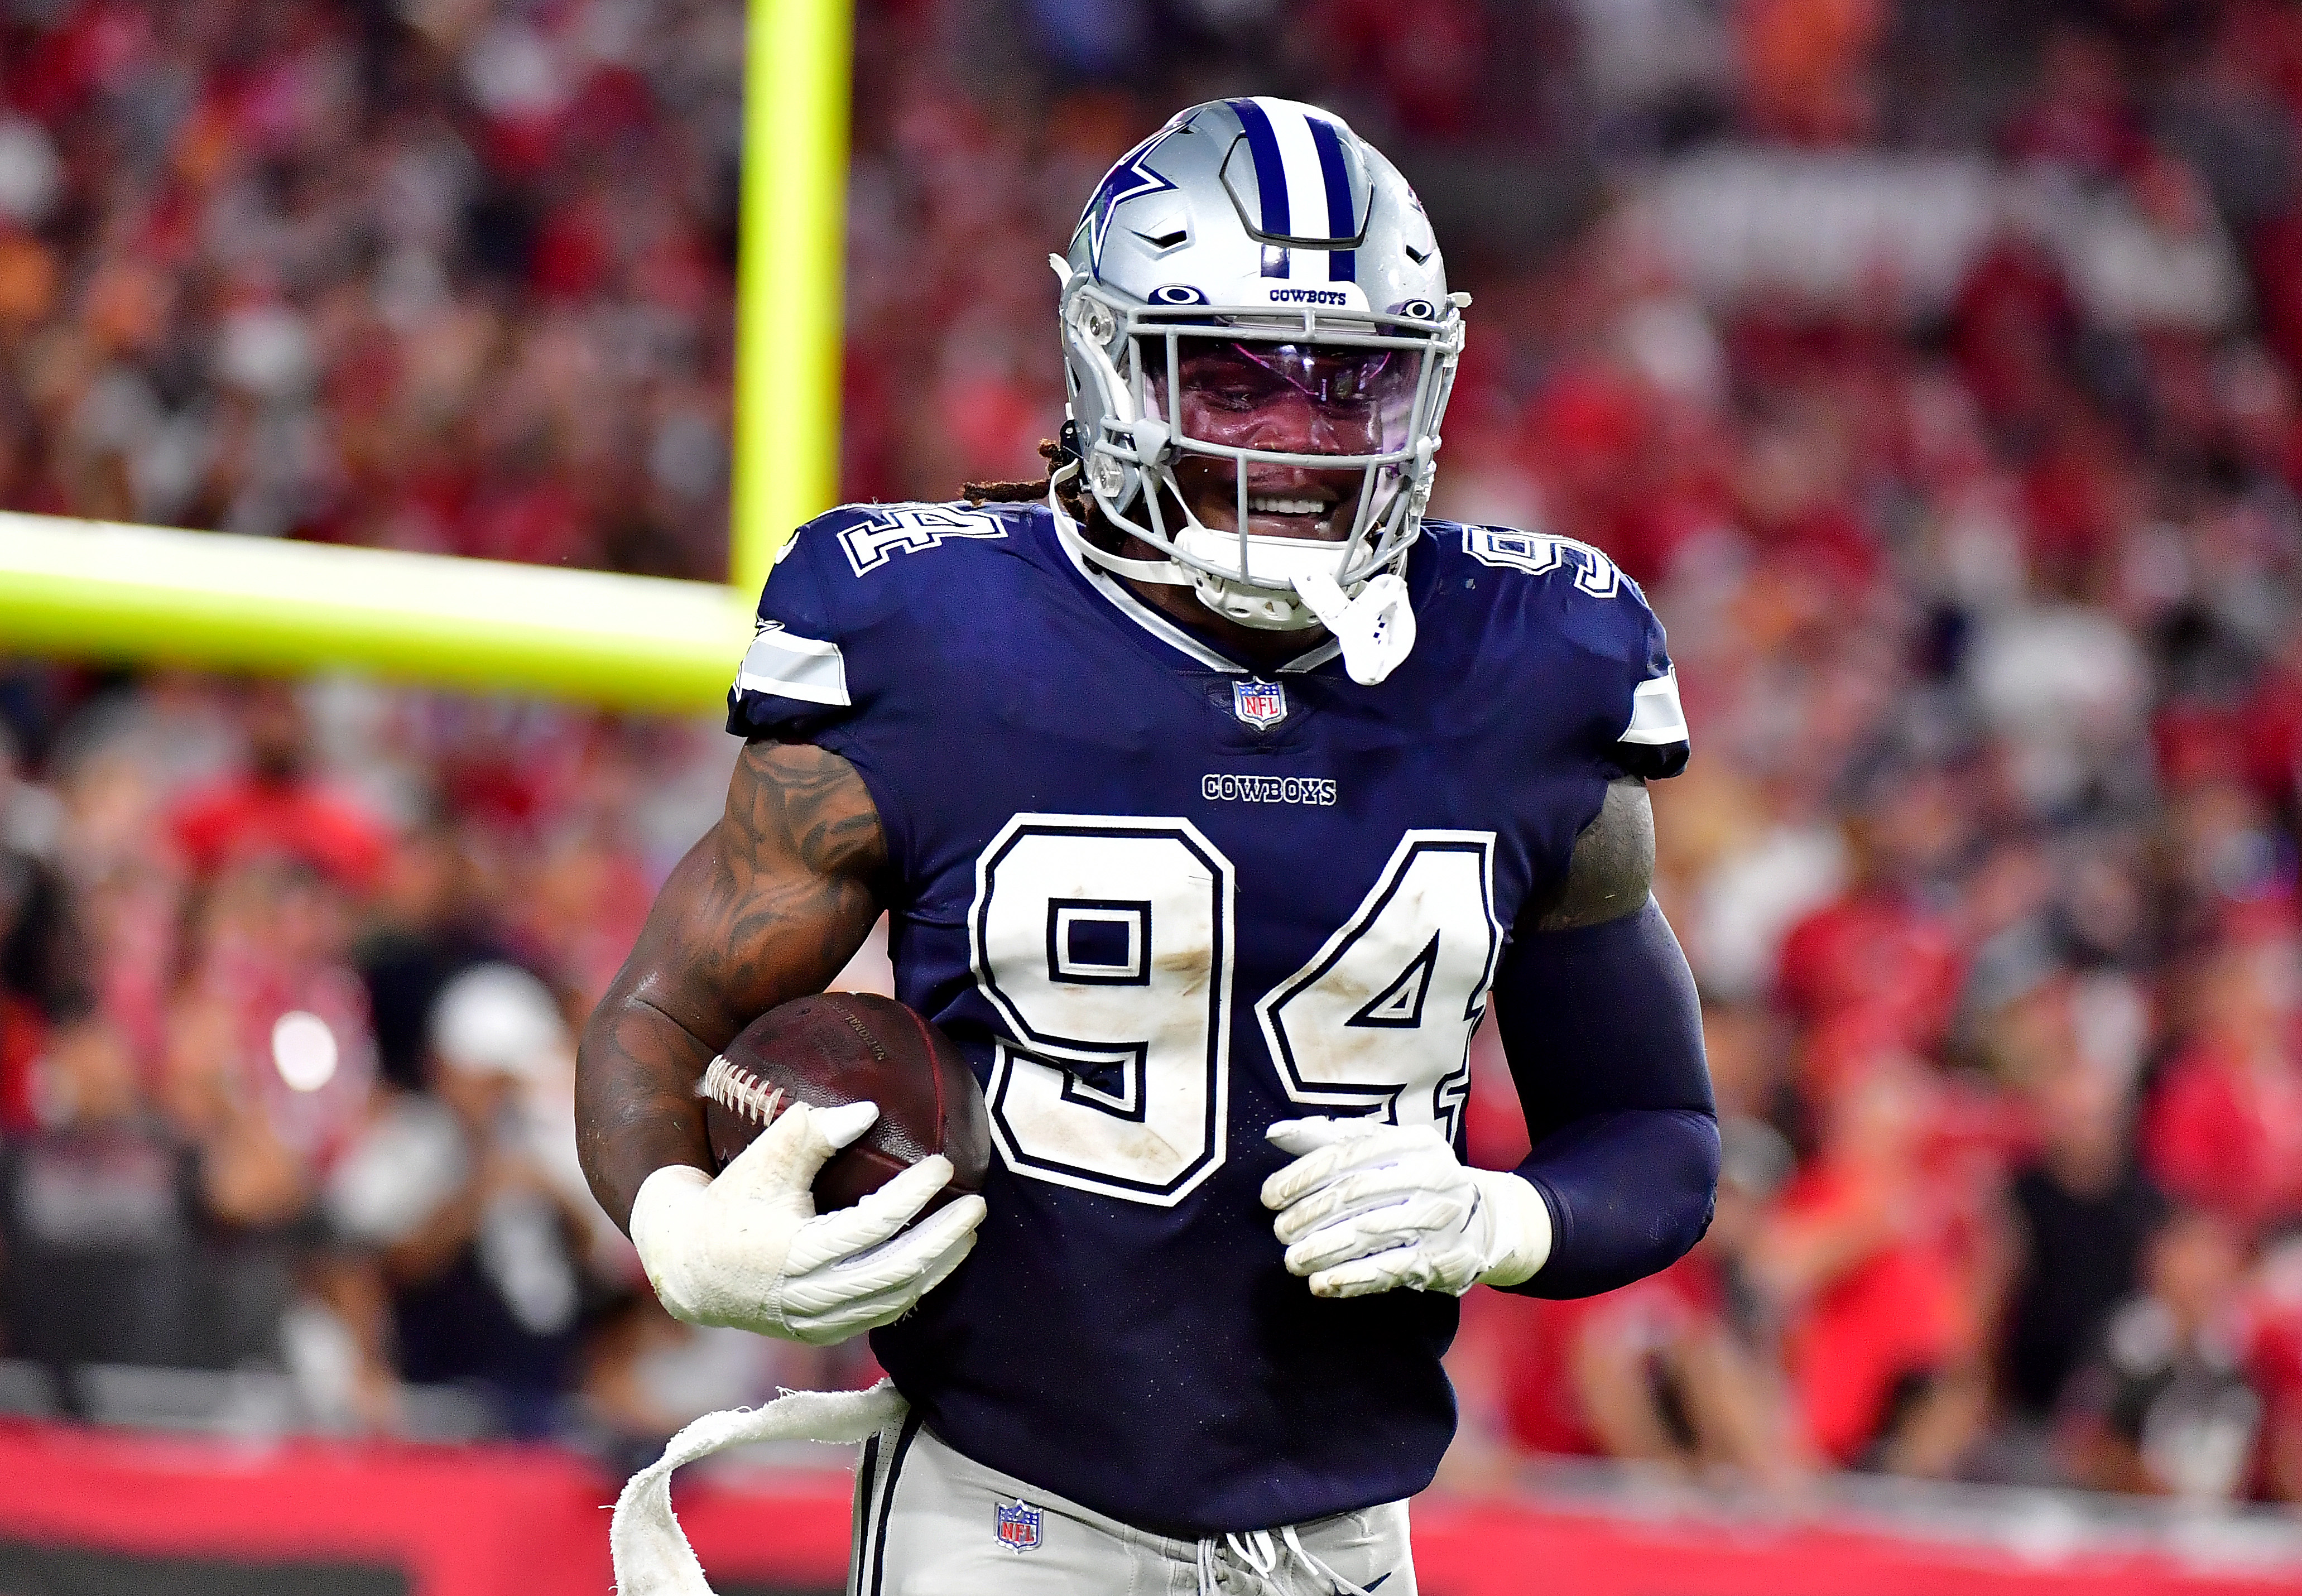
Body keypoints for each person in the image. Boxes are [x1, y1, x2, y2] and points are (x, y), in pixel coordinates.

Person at [579, 98, 1718, 1594]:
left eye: (1347, 388)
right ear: (1112, 364)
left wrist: (1503, 1213)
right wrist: (679, 1226)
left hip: (1346, 1542)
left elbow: (1656, 1130)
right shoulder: (932, 633)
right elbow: (664, 1014)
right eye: (1235, 381)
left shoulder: (1530, 659)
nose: (1297, 442)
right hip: (1005, 1518)